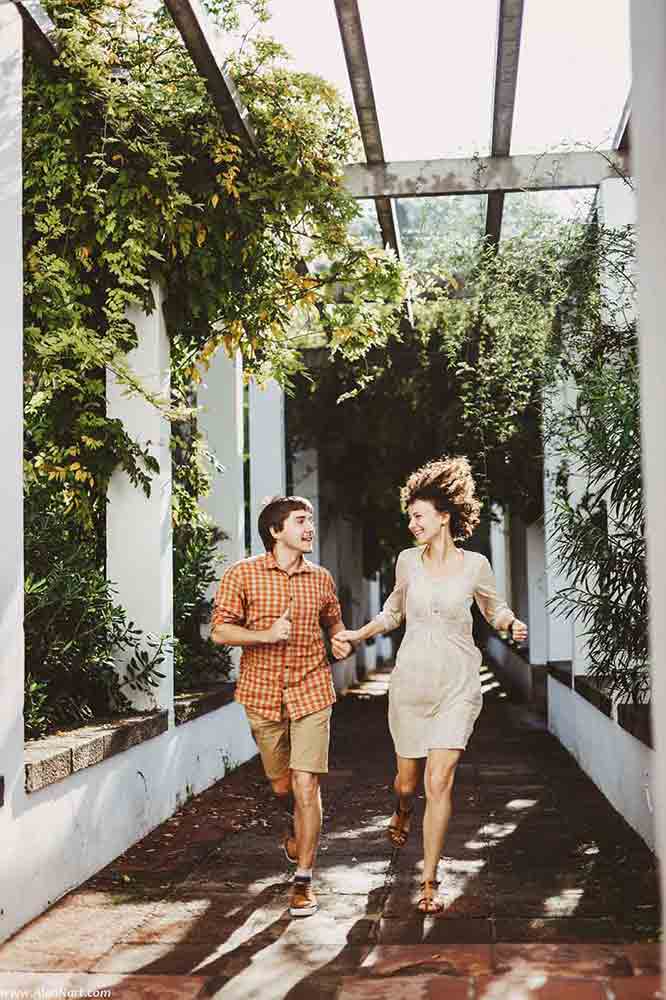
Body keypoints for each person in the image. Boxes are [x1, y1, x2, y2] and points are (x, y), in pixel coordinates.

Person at [335, 457, 527, 914]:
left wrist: (510, 623)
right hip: (411, 684)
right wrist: (358, 634)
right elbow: (393, 612)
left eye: (418, 516)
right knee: (408, 783)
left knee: (438, 781)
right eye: (410, 517)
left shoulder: (475, 565)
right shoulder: (407, 562)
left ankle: (429, 881)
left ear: (444, 516)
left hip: (458, 684)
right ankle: (402, 809)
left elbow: (493, 609)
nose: (412, 524)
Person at [211, 496, 353, 918]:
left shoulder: (320, 578)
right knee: (282, 786)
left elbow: (333, 619)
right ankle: (294, 828)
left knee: (307, 785)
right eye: (300, 521)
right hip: (262, 694)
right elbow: (220, 632)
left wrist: (339, 639)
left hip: (312, 690)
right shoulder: (242, 574)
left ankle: (304, 880)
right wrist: (266, 635)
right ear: (276, 531)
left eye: (311, 520)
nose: (310, 528)